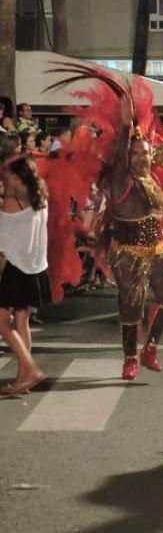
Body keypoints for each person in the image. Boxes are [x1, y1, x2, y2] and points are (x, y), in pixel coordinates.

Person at [108, 98, 163, 381]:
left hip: (155, 249)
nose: (140, 157)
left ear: (152, 156)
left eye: (145, 153)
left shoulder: (154, 179)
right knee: (131, 307)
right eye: (135, 153)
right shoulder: (121, 179)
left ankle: (150, 349)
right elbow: (119, 157)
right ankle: (129, 358)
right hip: (127, 253)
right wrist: (125, 126)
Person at [0, 157, 50, 394]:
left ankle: (30, 369)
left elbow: (3, 236)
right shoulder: (40, 196)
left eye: (7, 175)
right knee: (21, 322)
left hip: (17, 267)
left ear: (18, 178)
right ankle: (22, 380)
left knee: (2, 322)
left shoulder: (12, 202)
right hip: (35, 267)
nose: (4, 178)